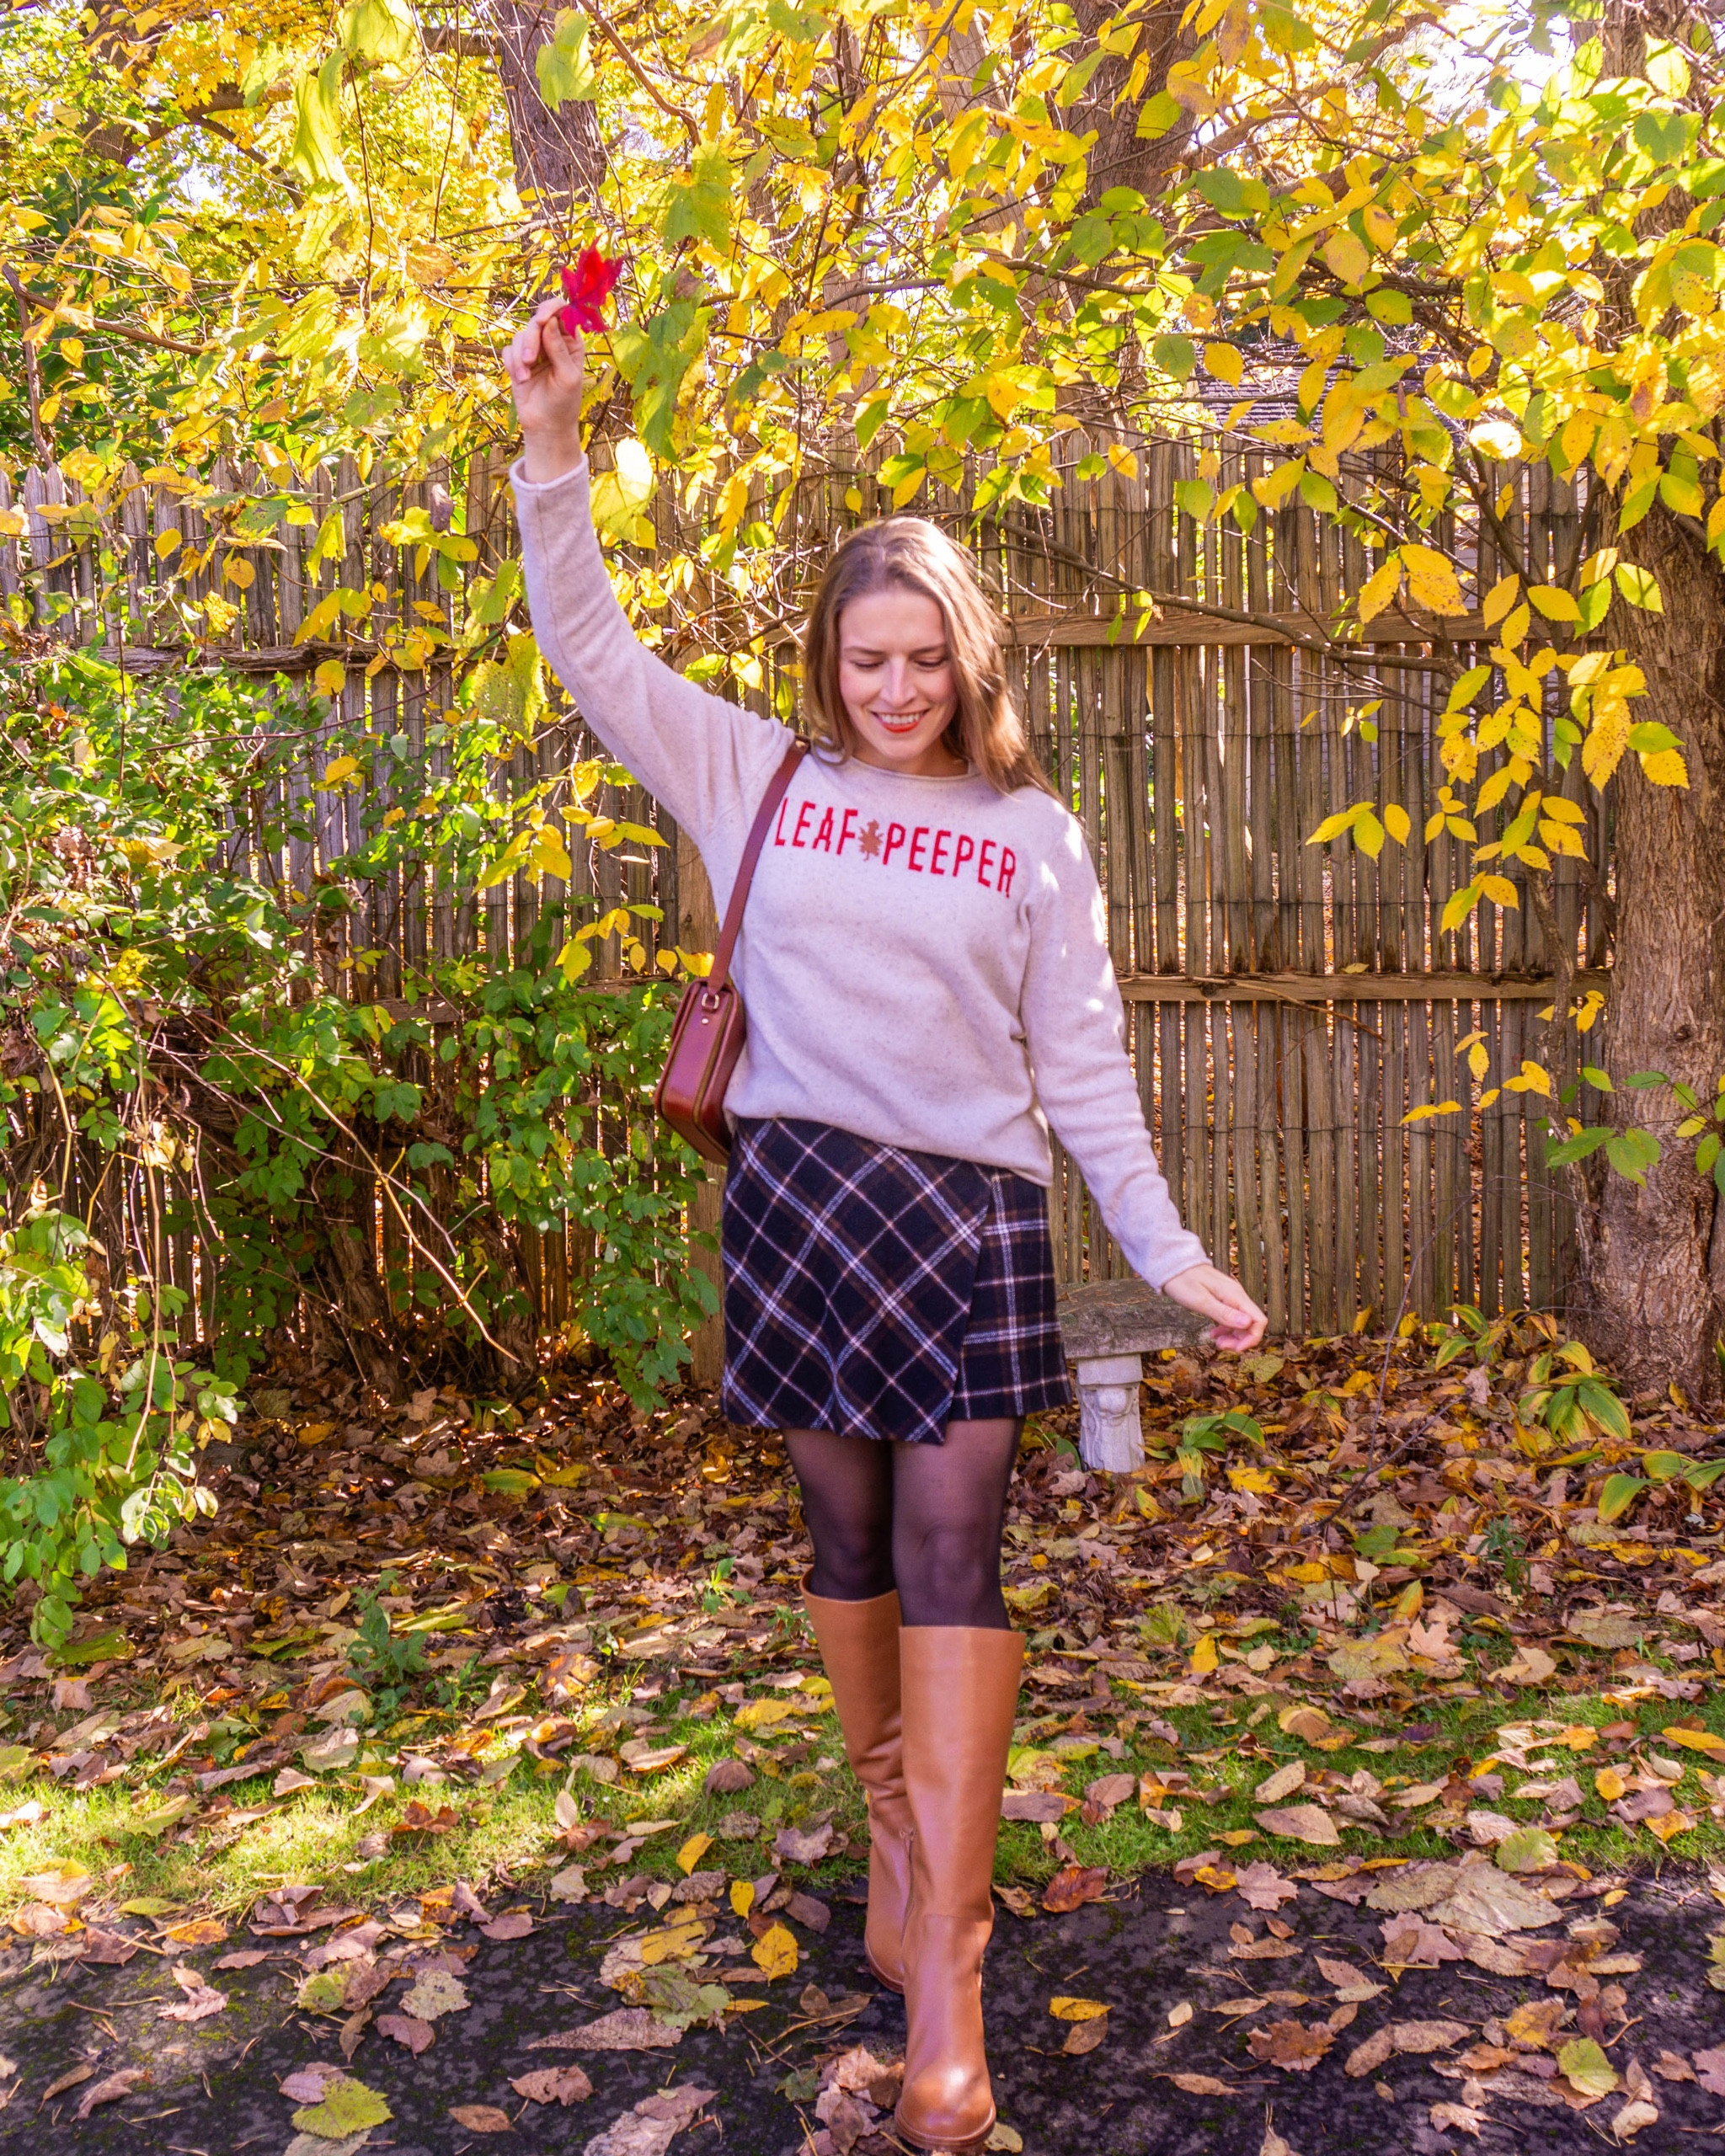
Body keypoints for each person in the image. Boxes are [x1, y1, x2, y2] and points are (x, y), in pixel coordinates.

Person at [505, 297, 1266, 2155]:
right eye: (868, 659)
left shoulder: (1032, 835)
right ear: (827, 661)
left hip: (969, 1225)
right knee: (843, 1543)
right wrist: (552, 444)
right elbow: (587, 642)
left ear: (966, 659)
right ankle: (899, 1846)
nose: (896, 688)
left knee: (952, 1554)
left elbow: (1082, 1067)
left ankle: (949, 1978)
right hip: (800, 1203)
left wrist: (1164, 1249)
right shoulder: (758, 777)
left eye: (925, 658)